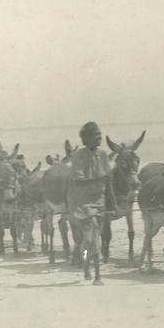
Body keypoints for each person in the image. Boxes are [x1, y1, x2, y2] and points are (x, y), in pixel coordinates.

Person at [69, 121, 113, 286]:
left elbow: (108, 181)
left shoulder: (103, 155)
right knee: (93, 237)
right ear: (86, 139)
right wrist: (99, 180)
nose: (100, 138)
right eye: (96, 135)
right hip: (83, 203)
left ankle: (86, 265)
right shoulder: (78, 156)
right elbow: (79, 183)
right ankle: (98, 276)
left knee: (89, 240)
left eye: (100, 135)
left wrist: (113, 204)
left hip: (100, 202)